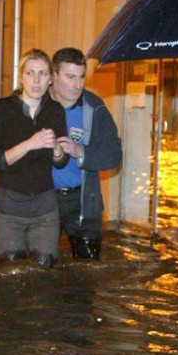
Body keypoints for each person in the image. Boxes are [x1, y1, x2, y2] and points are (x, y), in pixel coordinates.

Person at [0, 49, 69, 268]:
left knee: (44, 271)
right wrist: (31, 143)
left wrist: (58, 150)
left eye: (42, 73)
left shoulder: (56, 111)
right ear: (21, 77)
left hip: (45, 208)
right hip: (8, 209)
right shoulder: (0, 109)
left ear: (50, 79)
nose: (36, 80)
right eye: (30, 73)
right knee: (11, 273)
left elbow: (61, 162)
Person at [49, 48, 122, 260]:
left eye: (81, 77)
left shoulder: (94, 107)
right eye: (70, 77)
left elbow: (114, 154)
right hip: (43, 200)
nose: (77, 85)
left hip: (82, 201)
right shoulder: (36, 103)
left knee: (87, 269)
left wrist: (80, 151)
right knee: (40, 268)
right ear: (54, 75)